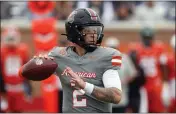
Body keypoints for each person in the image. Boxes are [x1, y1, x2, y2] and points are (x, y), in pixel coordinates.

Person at [22, 8, 122, 113]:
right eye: (88, 31)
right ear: (74, 32)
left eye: (96, 30)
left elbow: (116, 96)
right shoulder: (59, 55)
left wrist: (85, 86)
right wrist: (38, 63)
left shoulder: (106, 56)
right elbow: (23, 72)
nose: (94, 35)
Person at [130, 27, 167, 112]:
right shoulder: (136, 50)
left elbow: (163, 66)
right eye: (145, 38)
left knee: (157, 108)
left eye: (149, 38)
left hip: (156, 82)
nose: (147, 40)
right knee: (144, 109)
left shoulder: (159, 48)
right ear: (142, 38)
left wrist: (165, 83)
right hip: (143, 84)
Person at [1, 26, 31, 112]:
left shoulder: (22, 49)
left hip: (19, 86)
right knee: (4, 110)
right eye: (9, 38)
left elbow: (27, 69)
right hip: (6, 86)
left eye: (12, 38)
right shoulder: (2, 51)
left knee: (18, 110)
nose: (11, 40)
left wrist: (28, 88)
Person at [104, 37, 137, 113]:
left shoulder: (124, 58)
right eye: (110, 48)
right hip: (106, 100)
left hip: (121, 98)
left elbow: (132, 74)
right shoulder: (102, 60)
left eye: (114, 48)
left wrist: (124, 82)